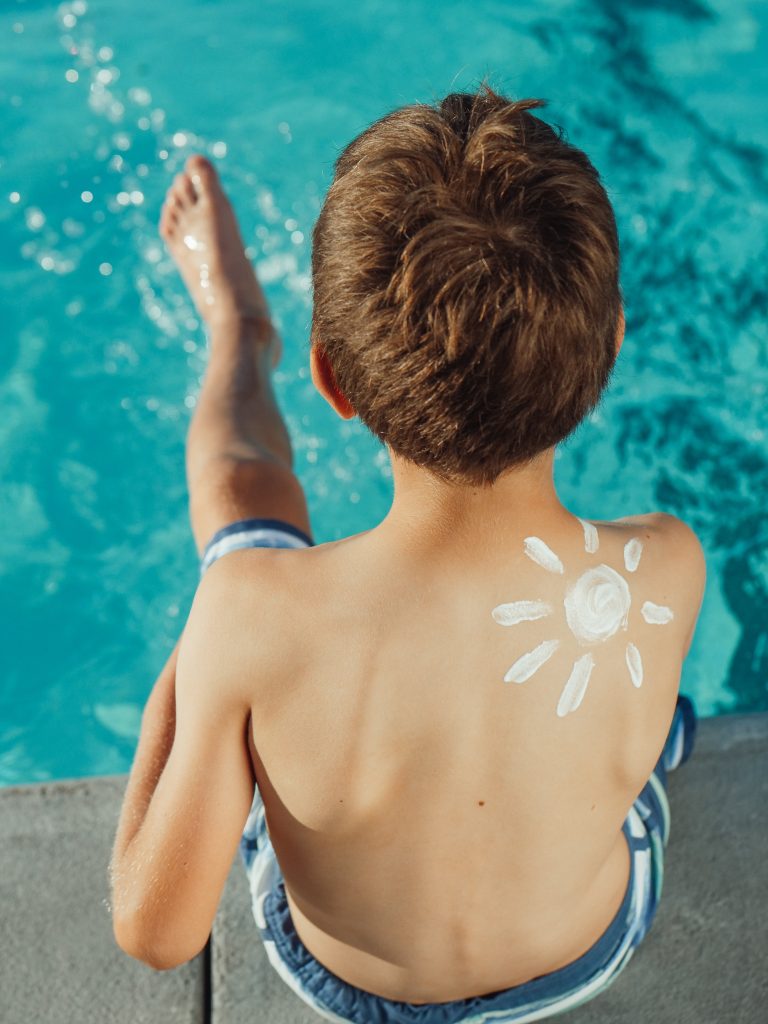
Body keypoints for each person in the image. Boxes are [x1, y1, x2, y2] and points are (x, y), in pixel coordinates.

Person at [109, 85, 705, 1022]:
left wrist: (191, 679)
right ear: (609, 351)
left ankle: (237, 330)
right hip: (587, 950)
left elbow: (156, 934)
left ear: (332, 381)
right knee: (645, 695)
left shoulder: (252, 612)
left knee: (240, 497)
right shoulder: (670, 564)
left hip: (350, 987)